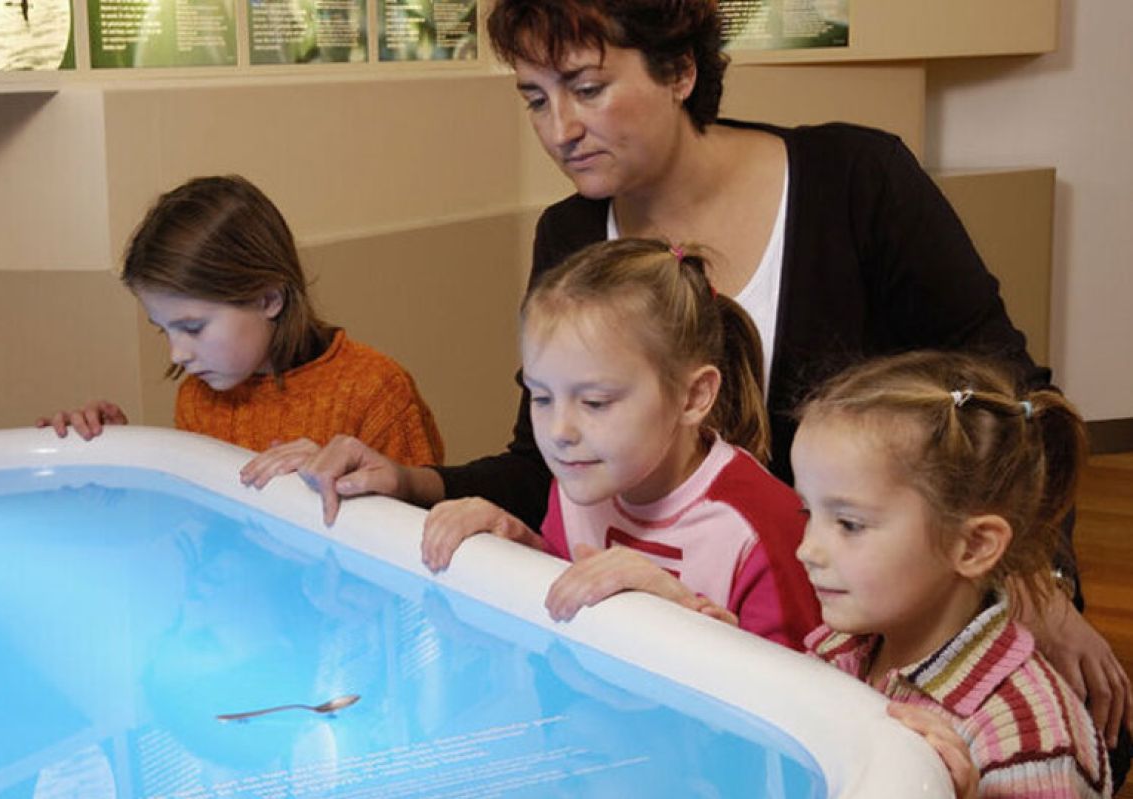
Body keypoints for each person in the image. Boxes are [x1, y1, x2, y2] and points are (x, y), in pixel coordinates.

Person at [289, 0, 1130, 771]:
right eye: (535, 98)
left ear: (679, 71)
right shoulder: (572, 231)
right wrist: (412, 481)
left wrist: (1036, 584)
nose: (560, 128)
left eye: (585, 87)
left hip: (897, 604)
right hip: (755, 648)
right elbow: (545, 459)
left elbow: (1007, 400)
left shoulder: (856, 181)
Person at [421, 238, 819, 648]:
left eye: (595, 402)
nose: (559, 432)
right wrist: (516, 543)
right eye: (541, 397)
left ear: (694, 396)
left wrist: (675, 608)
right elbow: (567, 600)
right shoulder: (582, 477)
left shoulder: (763, 531)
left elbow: (801, 696)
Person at [793, 351, 1112, 798]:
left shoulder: (1034, 739)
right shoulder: (836, 649)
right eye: (808, 511)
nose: (806, 549)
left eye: (849, 524)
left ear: (974, 545)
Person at [37, 175, 444, 476]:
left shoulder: (376, 393)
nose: (177, 354)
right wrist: (115, 459)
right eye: (165, 330)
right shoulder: (198, 399)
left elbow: (420, 551)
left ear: (268, 298)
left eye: (193, 328)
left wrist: (328, 483)